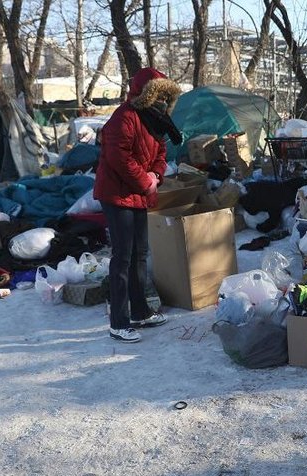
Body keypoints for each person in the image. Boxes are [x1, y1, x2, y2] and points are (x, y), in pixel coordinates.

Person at [94, 67, 183, 343]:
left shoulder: (157, 119)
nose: (162, 100)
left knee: (140, 254)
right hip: (117, 194)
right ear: (145, 94)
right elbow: (117, 156)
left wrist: (156, 175)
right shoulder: (125, 117)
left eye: (165, 95)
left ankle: (140, 311)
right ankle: (119, 322)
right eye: (157, 94)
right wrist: (145, 181)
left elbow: (161, 152)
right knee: (122, 257)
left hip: (140, 193)